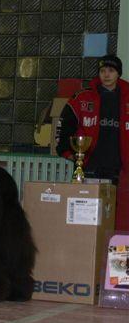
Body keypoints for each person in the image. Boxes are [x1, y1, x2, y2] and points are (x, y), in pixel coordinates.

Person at [56, 54, 129, 231]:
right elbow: (64, 127)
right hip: (89, 166)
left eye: (111, 71)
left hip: (118, 169)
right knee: (85, 214)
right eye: (103, 70)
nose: (106, 74)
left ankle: (109, 252)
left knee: (114, 217)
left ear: (118, 73)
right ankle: (84, 248)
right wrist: (69, 153)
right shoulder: (81, 97)